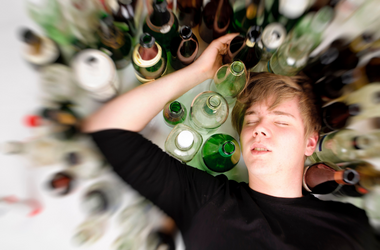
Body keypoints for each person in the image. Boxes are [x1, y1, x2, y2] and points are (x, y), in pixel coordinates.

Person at [81, 34, 380, 249]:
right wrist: (198, 72)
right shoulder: (206, 202)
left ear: (310, 144)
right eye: (251, 120)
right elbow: (107, 128)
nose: (260, 129)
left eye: (280, 120)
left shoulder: (350, 224)